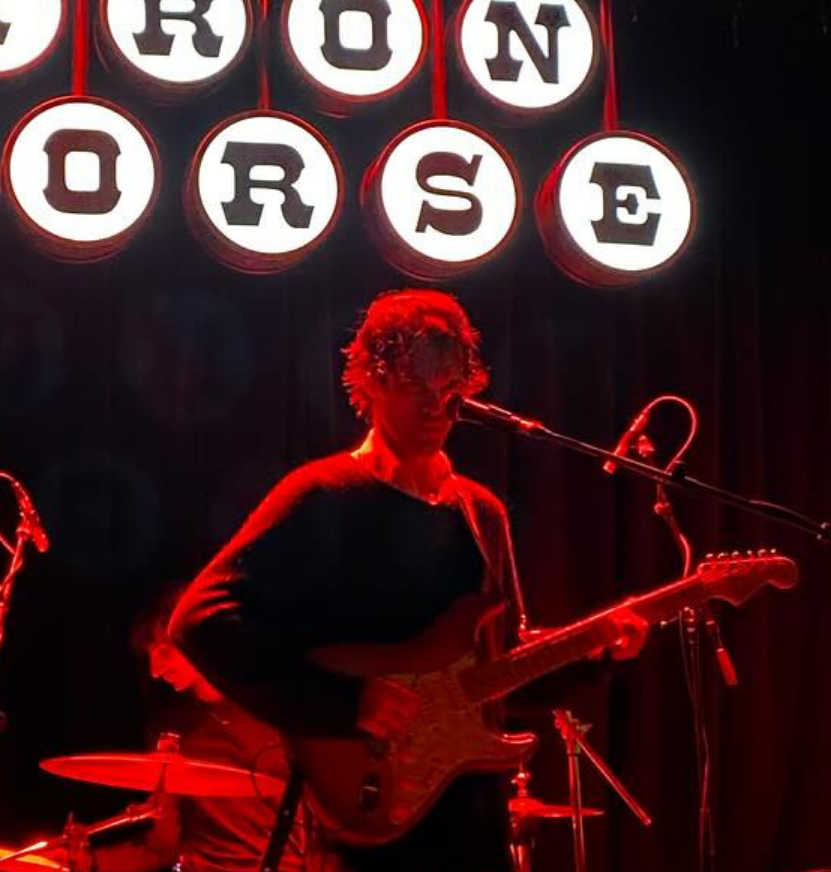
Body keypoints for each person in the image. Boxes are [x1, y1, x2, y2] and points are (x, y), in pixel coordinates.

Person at [170, 289, 649, 872]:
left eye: (449, 385)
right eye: (415, 382)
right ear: (371, 382)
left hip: (473, 820)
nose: (435, 402)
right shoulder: (322, 494)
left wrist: (596, 657)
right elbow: (200, 620)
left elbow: (498, 682)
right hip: (371, 814)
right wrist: (343, 704)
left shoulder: (481, 512)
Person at [78, 588, 325, 872]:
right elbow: (162, 849)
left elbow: (332, 826)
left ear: (199, 641)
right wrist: (89, 861)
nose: (155, 671)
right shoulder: (171, 728)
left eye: (163, 652)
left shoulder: (279, 715)